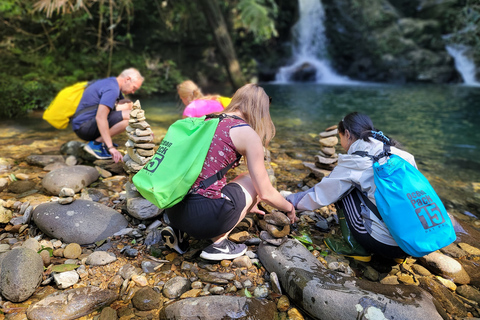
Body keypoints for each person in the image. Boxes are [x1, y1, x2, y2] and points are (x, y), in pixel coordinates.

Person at [161, 83, 298, 261]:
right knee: (251, 180)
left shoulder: (207, 119)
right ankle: (219, 244)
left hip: (173, 208)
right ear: (261, 110)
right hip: (204, 218)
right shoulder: (247, 134)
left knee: (232, 178)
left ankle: (179, 232)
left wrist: (249, 203)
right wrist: (289, 207)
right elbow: (266, 193)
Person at [285, 112, 416, 261]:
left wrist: (291, 201)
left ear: (347, 134)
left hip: (385, 244)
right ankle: (397, 254)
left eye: (340, 137)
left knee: (343, 189)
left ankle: (354, 246)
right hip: (411, 243)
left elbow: (322, 193)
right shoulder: (403, 155)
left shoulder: (357, 160)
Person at [71, 68, 144, 163]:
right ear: (127, 79)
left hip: (84, 124)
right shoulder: (112, 89)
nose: (133, 92)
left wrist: (144, 128)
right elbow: (100, 117)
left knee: (129, 104)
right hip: (84, 128)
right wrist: (111, 147)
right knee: (129, 117)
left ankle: (102, 140)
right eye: (133, 88)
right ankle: (96, 144)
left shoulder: (112, 83)